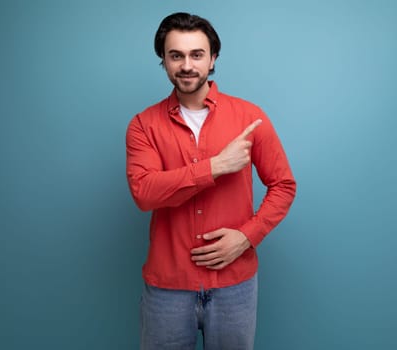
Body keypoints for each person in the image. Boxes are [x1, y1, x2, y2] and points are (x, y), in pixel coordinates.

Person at [126, 12, 296, 350]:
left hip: (234, 286)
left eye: (196, 54)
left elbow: (283, 185)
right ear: (164, 60)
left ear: (213, 58)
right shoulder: (143, 125)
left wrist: (247, 237)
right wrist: (215, 167)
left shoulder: (250, 117)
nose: (186, 65)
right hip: (168, 288)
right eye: (176, 55)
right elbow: (144, 193)